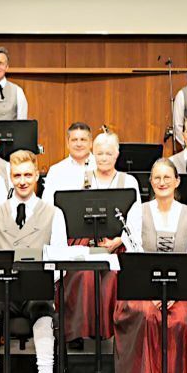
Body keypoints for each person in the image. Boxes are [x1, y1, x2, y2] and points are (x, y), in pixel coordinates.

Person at [116, 159, 187, 373]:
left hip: (183, 291)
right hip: (144, 291)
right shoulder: (137, 212)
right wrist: (153, 294)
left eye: (167, 178)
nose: (162, 183)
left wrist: (173, 294)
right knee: (146, 316)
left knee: (182, 318)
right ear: (150, 182)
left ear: (177, 181)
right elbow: (134, 258)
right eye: (156, 178)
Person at [0, 151, 69, 373]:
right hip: (3, 288)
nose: (23, 181)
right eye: (17, 175)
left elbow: (59, 261)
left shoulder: (54, 214)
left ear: (37, 175)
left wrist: (44, 278)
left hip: (36, 288)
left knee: (43, 311)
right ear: (9, 177)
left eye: (28, 175)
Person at [59, 131, 136, 344]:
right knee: (83, 275)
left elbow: (135, 220)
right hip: (85, 244)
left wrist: (118, 241)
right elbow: (72, 214)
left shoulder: (128, 181)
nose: (103, 158)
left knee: (111, 277)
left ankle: (109, 332)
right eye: (99, 153)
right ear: (93, 154)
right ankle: (77, 331)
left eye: (108, 153)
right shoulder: (80, 179)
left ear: (117, 154)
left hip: (117, 244)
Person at [43, 121, 97, 194]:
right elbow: (47, 202)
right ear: (68, 143)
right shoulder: (56, 171)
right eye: (74, 140)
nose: (78, 144)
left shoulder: (102, 166)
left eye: (83, 140)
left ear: (91, 143)